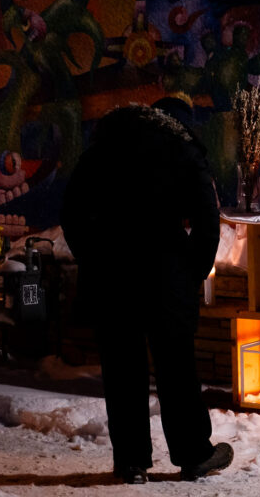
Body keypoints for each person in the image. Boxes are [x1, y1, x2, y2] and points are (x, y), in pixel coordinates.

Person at [60, 93, 233, 484]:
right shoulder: (183, 148)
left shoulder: (105, 147)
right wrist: (192, 271)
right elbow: (208, 219)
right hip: (166, 272)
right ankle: (194, 454)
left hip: (111, 272)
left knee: (122, 366)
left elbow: (72, 212)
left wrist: (93, 257)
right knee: (177, 367)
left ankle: (131, 462)